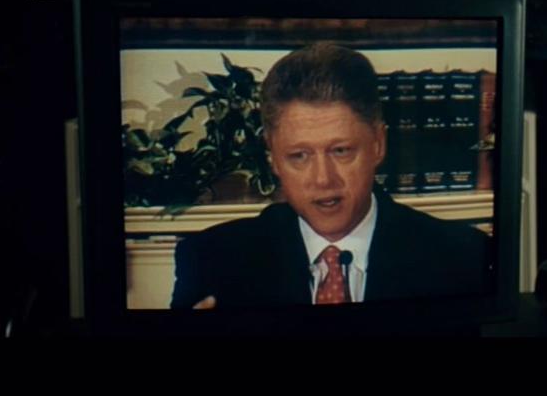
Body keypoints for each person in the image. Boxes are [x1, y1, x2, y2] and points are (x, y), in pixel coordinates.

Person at [171, 42, 491, 310]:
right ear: (273, 160)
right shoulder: (213, 260)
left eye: (340, 151)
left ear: (378, 145)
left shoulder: (463, 258)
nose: (323, 179)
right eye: (299, 156)